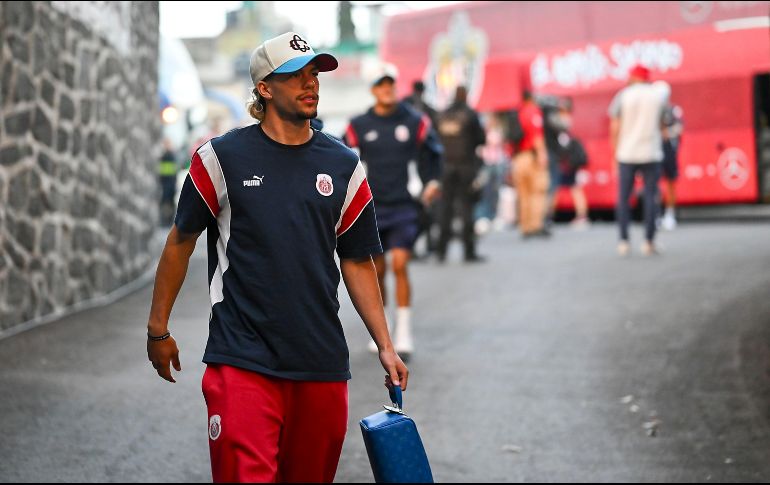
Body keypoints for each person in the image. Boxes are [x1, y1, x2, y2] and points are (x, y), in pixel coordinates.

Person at [146, 32, 408, 483]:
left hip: (322, 365)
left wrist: (385, 344)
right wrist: (158, 329)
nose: (311, 84)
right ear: (264, 88)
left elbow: (357, 261)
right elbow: (180, 241)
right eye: (295, 76)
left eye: (314, 74)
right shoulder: (220, 158)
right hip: (242, 362)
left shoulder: (345, 165)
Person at [343, 63, 442, 359]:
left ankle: (404, 333)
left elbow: (434, 154)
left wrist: (432, 182)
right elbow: (342, 160)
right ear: (372, 90)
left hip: (405, 205)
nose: (386, 89)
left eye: (390, 84)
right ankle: (383, 331)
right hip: (372, 208)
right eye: (380, 85)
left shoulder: (415, 121)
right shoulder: (357, 125)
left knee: (400, 263)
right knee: (379, 270)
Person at [609, 64, 670, 256]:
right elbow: (663, 126)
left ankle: (623, 242)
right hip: (651, 152)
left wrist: (614, 153)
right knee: (652, 197)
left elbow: (615, 127)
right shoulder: (657, 96)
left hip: (626, 153)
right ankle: (649, 242)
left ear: (633, 78)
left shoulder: (623, 96)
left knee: (624, 198)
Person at [435, 86, 487, 262]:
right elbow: (481, 139)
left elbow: (434, 140)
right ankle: (469, 251)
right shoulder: (470, 115)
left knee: (445, 209)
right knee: (466, 208)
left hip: (445, 166)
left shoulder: (441, 115)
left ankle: (441, 251)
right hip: (465, 166)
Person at [512, 90, 550, 238]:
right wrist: (542, 154)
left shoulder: (517, 113)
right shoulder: (532, 112)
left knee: (523, 194)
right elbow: (536, 135)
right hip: (531, 156)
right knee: (537, 192)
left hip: (518, 158)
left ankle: (525, 226)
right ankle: (536, 225)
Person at [660, 103, 683, 230]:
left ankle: (670, 214)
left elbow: (679, 128)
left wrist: (666, 133)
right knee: (652, 184)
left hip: (669, 151)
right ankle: (656, 214)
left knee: (670, 183)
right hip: (653, 152)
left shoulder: (674, 110)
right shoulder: (652, 110)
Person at [158, 138, 179, 226]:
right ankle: (166, 220)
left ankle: (168, 220)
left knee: (168, 202)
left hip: (169, 183)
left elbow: (173, 170)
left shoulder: (169, 156)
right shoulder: (166, 156)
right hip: (166, 183)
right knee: (165, 202)